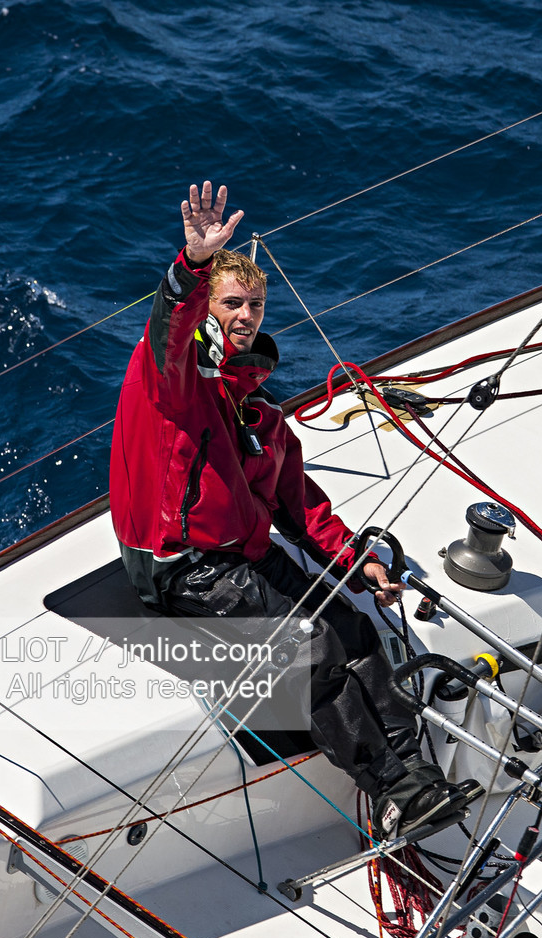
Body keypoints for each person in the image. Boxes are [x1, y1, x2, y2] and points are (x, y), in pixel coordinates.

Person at [110, 182, 480, 838]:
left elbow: (301, 508)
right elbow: (167, 331)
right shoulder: (170, 379)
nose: (246, 314)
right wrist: (193, 266)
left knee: (355, 625)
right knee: (308, 648)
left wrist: (356, 561)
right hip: (181, 565)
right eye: (231, 302)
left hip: (243, 554)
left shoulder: (264, 416)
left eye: (254, 303)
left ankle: (415, 769)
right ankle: (393, 788)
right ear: (206, 310)